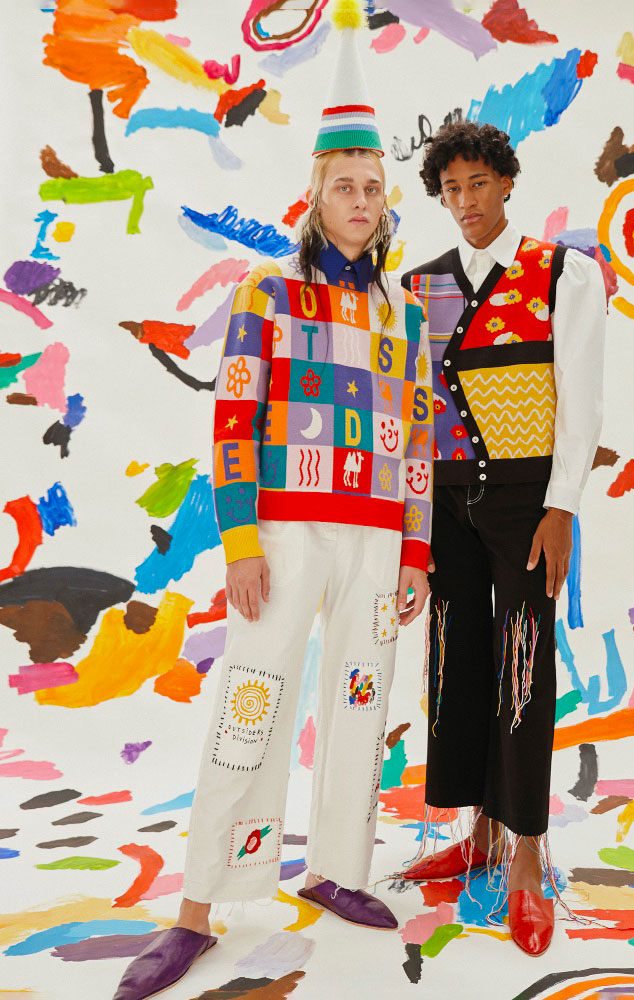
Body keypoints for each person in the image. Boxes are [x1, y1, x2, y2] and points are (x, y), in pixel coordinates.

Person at [112, 7, 433, 999]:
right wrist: (242, 540)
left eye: (372, 188)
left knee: (360, 701)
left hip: (377, 542)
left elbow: (420, 438)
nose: (359, 201)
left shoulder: (405, 312)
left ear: (384, 201)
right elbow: (235, 419)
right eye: (344, 186)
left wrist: (416, 552)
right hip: (287, 532)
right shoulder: (268, 293)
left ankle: (334, 867)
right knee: (252, 702)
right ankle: (197, 908)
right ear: (315, 194)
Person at [398, 121, 606, 956]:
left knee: (523, 668)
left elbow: (581, 397)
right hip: (445, 505)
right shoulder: (418, 287)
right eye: (451, 189)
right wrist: (412, 522)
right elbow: (412, 413)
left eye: (478, 183)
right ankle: (478, 833)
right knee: (455, 662)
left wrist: (562, 507)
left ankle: (526, 851)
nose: (466, 201)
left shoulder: (564, 273)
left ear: (507, 182)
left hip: (527, 504)